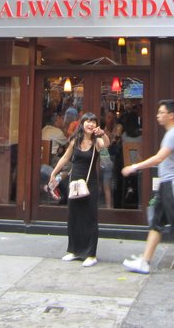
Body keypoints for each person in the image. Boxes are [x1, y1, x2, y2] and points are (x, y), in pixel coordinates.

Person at [121, 100, 174, 280]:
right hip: (166, 184)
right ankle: (145, 262)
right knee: (156, 223)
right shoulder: (171, 133)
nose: (158, 115)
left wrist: (134, 166)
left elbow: (159, 158)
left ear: (171, 115)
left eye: (162, 112)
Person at [47, 112, 106, 267]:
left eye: (93, 122)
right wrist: (54, 173)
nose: (90, 124)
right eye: (88, 121)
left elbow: (105, 144)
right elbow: (65, 157)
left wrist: (103, 134)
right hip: (74, 182)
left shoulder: (97, 141)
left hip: (89, 182)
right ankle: (74, 250)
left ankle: (91, 254)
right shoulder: (75, 140)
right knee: (74, 215)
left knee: (90, 217)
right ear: (82, 123)